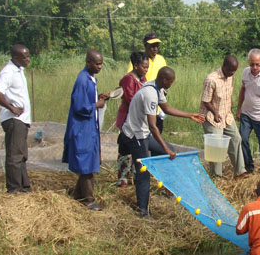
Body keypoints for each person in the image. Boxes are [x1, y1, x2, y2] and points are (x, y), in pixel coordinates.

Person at [118, 66, 205, 217]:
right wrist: (165, 148)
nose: (172, 84)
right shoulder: (150, 93)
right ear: (164, 80)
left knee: (169, 150)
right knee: (144, 171)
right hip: (135, 135)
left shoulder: (157, 88)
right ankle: (143, 211)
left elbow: (167, 108)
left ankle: (168, 188)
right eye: (171, 81)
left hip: (143, 133)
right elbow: (153, 126)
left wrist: (190, 115)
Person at [62, 49, 109, 210]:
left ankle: (78, 195)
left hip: (89, 127)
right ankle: (88, 200)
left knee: (88, 161)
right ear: (88, 62)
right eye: (97, 63)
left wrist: (99, 98)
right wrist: (96, 105)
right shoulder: (82, 80)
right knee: (87, 164)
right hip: (82, 128)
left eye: (101, 63)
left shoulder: (91, 79)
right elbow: (79, 106)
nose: (100, 66)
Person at [0, 44, 32, 193]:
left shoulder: (18, 70)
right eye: (25, 57)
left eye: (28, 56)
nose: (28, 59)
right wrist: (12, 108)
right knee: (15, 156)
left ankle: (24, 188)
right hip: (14, 120)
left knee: (21, 156)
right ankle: (14, 190)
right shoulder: (8, 72)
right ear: (16, 58)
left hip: (21, 121)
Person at [200, 55, 247, 179]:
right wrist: (215, 112)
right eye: (230, 70)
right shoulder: (211, 79)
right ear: (224, 66)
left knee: (236, 138)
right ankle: (216, 176)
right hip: (212, 116)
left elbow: (228, 92)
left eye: (234, 70)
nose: (232, 73)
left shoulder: (230, 77)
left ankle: (240, 172)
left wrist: (230, 104)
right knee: (217, 145)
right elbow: (205, 101)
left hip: (226, 115)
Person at [116, 51, 149, 187]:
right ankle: (123, 178)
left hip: (138, 121)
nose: (146, 70)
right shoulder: (128, 79)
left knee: (137, 151)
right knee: (125, 149)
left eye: (147, 67)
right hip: (127, 119)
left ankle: (135, 176)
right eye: (144, 67)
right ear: (136, 66)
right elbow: (131, 99)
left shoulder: (143, 80)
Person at [127, 33, 167, 133]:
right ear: (145, 45)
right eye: (152, 46)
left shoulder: (161, 59)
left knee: (157, 131)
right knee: (145, 133)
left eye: (157, 46)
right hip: (144, 102)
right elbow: (131, 79)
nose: (155, 48)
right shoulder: (140, 60)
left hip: (157, 102)